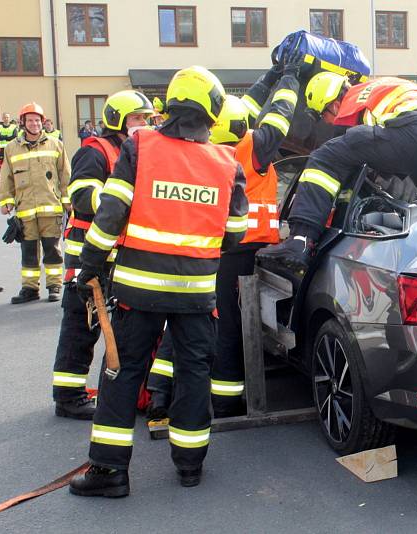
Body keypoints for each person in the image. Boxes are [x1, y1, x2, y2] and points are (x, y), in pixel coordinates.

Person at [68, 66, 248, 497]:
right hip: (197, 296)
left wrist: (89, 265)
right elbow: (235, 231)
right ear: (212, 111)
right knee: (192, 374)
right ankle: (190, 465)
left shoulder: (140, 147)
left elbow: (111, 212)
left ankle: (110, 473)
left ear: (170, 104)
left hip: (138, 292)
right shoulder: (227, 163)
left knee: (122, 372)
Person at [147, 44, 303, 419]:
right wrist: (290, 78)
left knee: (185, 320)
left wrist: (269, 77)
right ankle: (227, 401)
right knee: (232, 326)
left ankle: (157, 393)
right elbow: (279, 116)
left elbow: (244, 107)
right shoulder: (251, 149)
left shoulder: (204, 152)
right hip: (243, 252)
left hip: (205, 250)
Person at [256, 73, 417, 277]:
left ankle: (300, 239)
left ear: (334, 104)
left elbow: (346, 157)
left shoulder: (352, 101)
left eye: (323, 115)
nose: (327, 122)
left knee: (324, 157)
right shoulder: (377, 88)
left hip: (414, 132)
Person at [52, 90, 155, 420]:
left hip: (115, 254)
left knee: (117, 328)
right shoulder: (95, 152)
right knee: (82, 326)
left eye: (147, 118)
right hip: (85, 254)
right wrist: (114, 201)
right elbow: (81, 195)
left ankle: (125, 390)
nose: (144, 124)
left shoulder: (135, 152)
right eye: (138, 118)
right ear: (119, 120)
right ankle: (68, 395)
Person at [0, 103, 70, 304]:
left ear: (42, 122)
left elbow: (65, 175)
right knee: (28, 252)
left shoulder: (56, 144)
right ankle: (30, 289)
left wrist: (68, 202)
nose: (35, 123)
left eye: (38, 120)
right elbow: (6, 177)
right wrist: (6, 201)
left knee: (52, 250)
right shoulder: (12, 148)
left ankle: (54, 286)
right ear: (23, 123)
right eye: (30, 120)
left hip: (51, 208)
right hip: (26, 209)